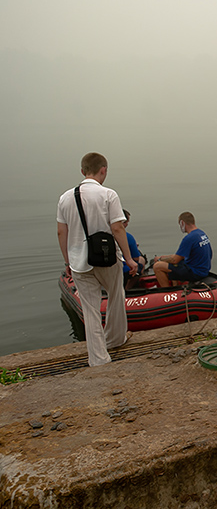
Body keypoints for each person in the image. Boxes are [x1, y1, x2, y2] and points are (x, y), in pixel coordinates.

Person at [57, 152, 138, 367]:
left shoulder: (65, 198)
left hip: (79, 263)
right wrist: (129, 260)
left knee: (90, 310)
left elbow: (61, 233)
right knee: (115, 296)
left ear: (82, 171)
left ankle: (99, 359)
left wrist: (67, 262)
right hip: (107, 259)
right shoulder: (109, 195)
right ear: (104, 170)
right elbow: (117, 228)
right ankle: (115, 339)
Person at [152, 212, 212, 288]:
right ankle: (175, 286)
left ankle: (166, 291)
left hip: (195, 272)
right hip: (203, 270)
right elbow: (181, 256)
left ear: (182, 223)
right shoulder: (201, 234)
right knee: (174, 264)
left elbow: (174, 260)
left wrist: (160, 259)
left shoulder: (189, 238)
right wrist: (165, 257)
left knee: (157, 266)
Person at [121, 209, 146, 288]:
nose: (127, 224)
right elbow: (136, 258)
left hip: (106, 269)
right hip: (123, 270)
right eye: (126, 222)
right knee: (141, 260)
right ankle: (128, 289)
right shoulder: (128, 237)